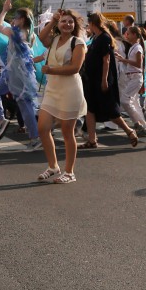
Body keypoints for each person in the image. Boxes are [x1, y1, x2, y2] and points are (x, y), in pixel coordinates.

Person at [35, 9, 87, 184]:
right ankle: (53, 166)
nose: (67, 24)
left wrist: (51, 70)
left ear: (75, 25)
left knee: (67, 132)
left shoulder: (78, 42)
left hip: (70, 90)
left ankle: (70, 172)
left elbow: (75, 68)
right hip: (52, 89)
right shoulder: (54, 39)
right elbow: (41, 37)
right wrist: (52, 20)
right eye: (63, 21)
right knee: (42, 128)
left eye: (70, 22)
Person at [81, 12, 139, 148]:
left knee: (111, 111)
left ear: (92, 24)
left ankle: (129, 131)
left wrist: (104, 80)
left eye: (89, 24)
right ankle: (92, 140)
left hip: (100, 79)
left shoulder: (104, 38)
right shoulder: (96, 37)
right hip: (91, 79)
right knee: (89, 109)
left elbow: (106, 60)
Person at [0, 0, 41, 150]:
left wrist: (4, 10)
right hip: (19, 73)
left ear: (23, 20)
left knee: (24, 105)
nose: (14, 20)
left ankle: (34, 137)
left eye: (16, 17)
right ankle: (2, 121)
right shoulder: (30, 34)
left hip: (16, 74)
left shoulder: (15, 33)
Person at [115, 25, 146, 135]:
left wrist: (124, 60)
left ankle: (137, 123)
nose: (126, 36)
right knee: (134, 102)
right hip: (132, 77)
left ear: (134, 35)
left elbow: (138, 64)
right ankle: (142, 126)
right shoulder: (134, 47)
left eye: (128, 34)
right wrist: (122, 59)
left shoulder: (138, 48)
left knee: (125, 100)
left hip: (135, 77)